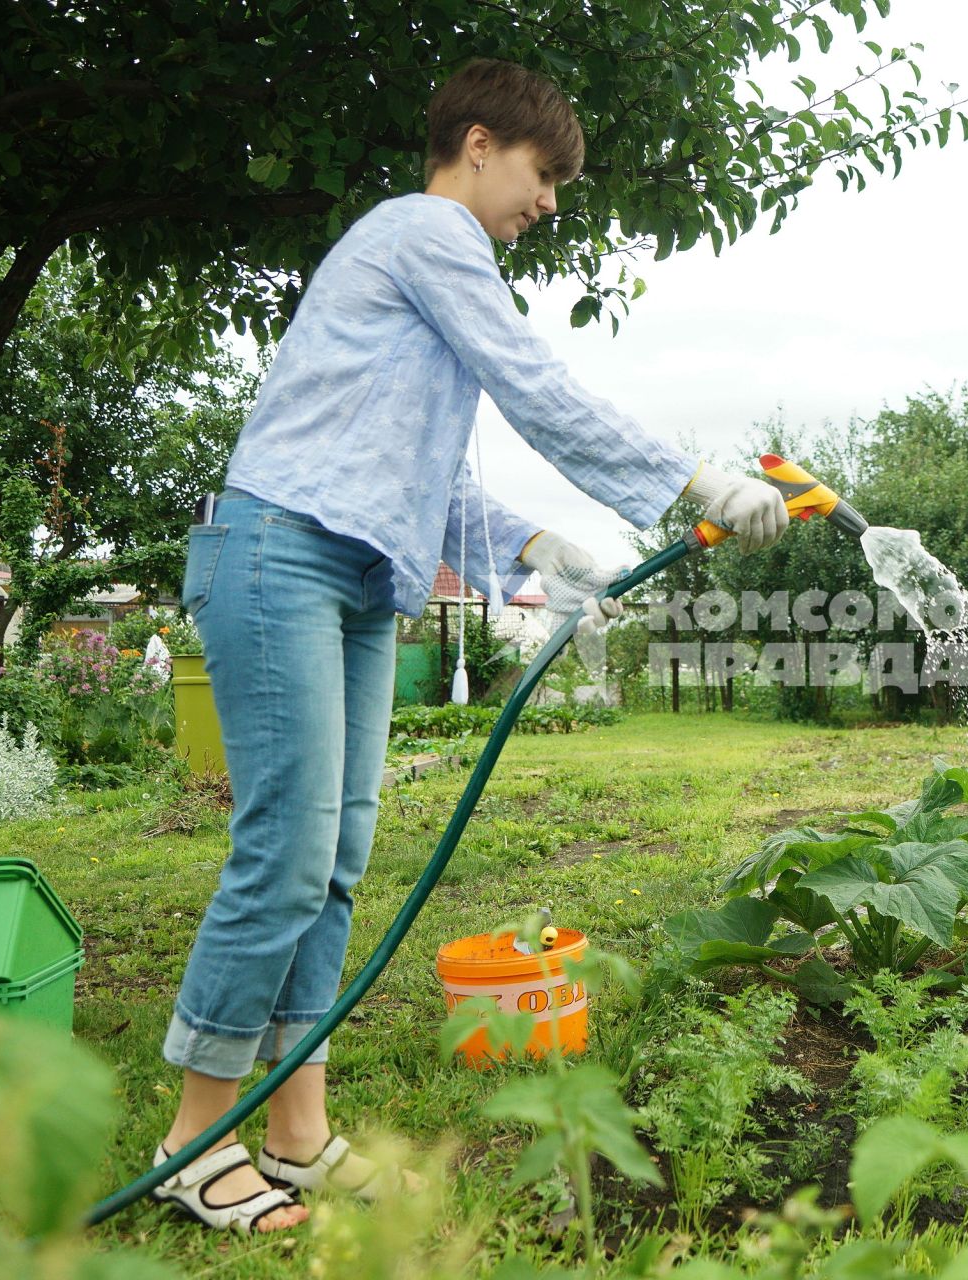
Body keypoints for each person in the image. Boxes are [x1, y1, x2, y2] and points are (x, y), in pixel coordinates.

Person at [149, 58, 789, 1235]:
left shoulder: (426, 284)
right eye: (544, 175)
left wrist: (542, 541)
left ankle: (297, 1134)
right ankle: (195, 1138)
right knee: (285, 850)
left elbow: (423, 476)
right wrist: (686, 479)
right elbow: (535, 384)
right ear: (480, 144)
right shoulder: (426, 230)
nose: (549, 202)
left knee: (336, 859)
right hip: (277, 552)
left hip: (353, 572)